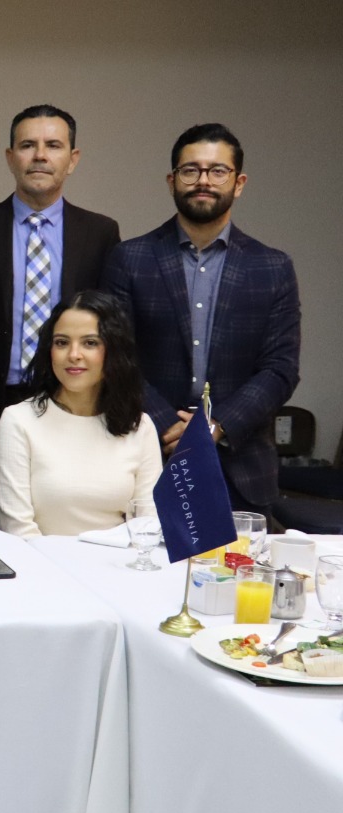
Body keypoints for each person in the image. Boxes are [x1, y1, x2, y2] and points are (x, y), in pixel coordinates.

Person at [103, 123, 300, 519]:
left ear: (239, 183)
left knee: (237, 561)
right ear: (172, 181)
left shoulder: (272, 267)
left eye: (218, 171)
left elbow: (280, 369)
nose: (203, 181)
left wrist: (215, 426)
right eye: (190, 170)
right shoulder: (131, 259)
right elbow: (115, 357)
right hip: (149, 454)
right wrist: (170, 428)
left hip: (240, 465)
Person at [0, 104, 120, 449]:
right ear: (10, 158)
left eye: (53, 146)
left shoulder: (100, 233)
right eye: (27, 146)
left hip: (74, 403)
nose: (40, 156)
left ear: (73, 159)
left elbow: (110, 329)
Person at [0, 291, 162, 537]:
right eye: (62, 342)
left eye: (90, 343)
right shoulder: (18, 420)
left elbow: (148, 526)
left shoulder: (140, 426)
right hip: (35, 560)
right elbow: (17, 530)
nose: (73, 355)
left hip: (120, 560)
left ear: (114, 350)